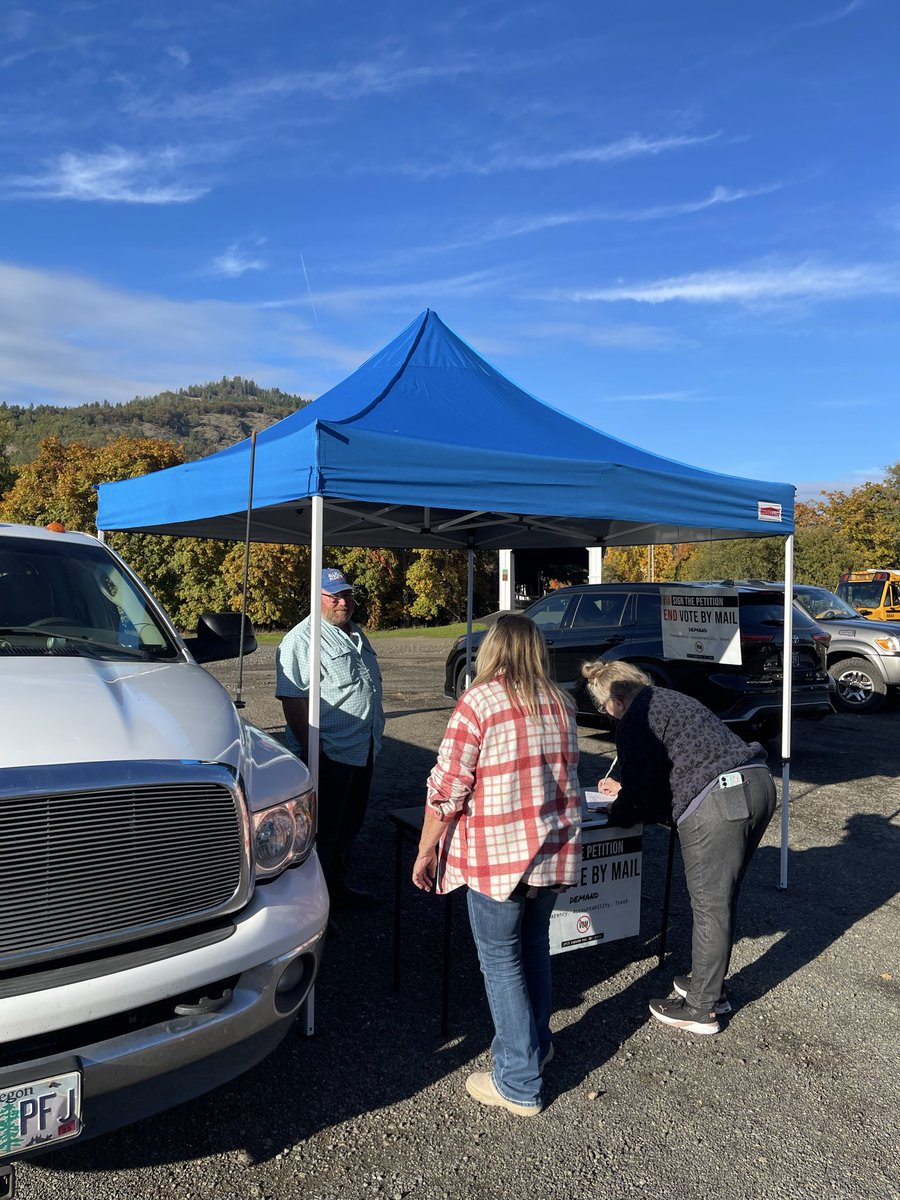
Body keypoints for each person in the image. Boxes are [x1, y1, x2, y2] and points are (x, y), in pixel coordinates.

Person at [413, 615, 581, 1117]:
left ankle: (519, 1081)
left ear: (492, 649)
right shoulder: (562, 702)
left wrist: (425, 850)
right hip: (551, 853)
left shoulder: (479, 701)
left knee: (501, 963)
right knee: (533, 951)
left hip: (499, 857)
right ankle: (536, 1044)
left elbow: (447, 789)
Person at [582, 660, 776, 1036]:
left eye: (604, 706)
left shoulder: (635, 717)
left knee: (709, 907)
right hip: (758, 783)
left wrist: (618, 813)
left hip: (719, 800)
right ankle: (709, 985)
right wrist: (627, 793)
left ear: (616, 699)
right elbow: (670, 770)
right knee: (723, 900)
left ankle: (702, 1008)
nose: (607, 714)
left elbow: (644, 799)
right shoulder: (670, 699)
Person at [276, 568, 384, 915]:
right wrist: (314, 750)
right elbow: (293, 699)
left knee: (350, 825)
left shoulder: (354, 633)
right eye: (334, 596)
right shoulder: (302, 639)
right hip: (330, 753)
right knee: (323, 833)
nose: (343, 601)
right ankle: (316, 909)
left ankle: (337, 890)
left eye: (346, 594)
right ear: (316, 598)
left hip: (362, 747)